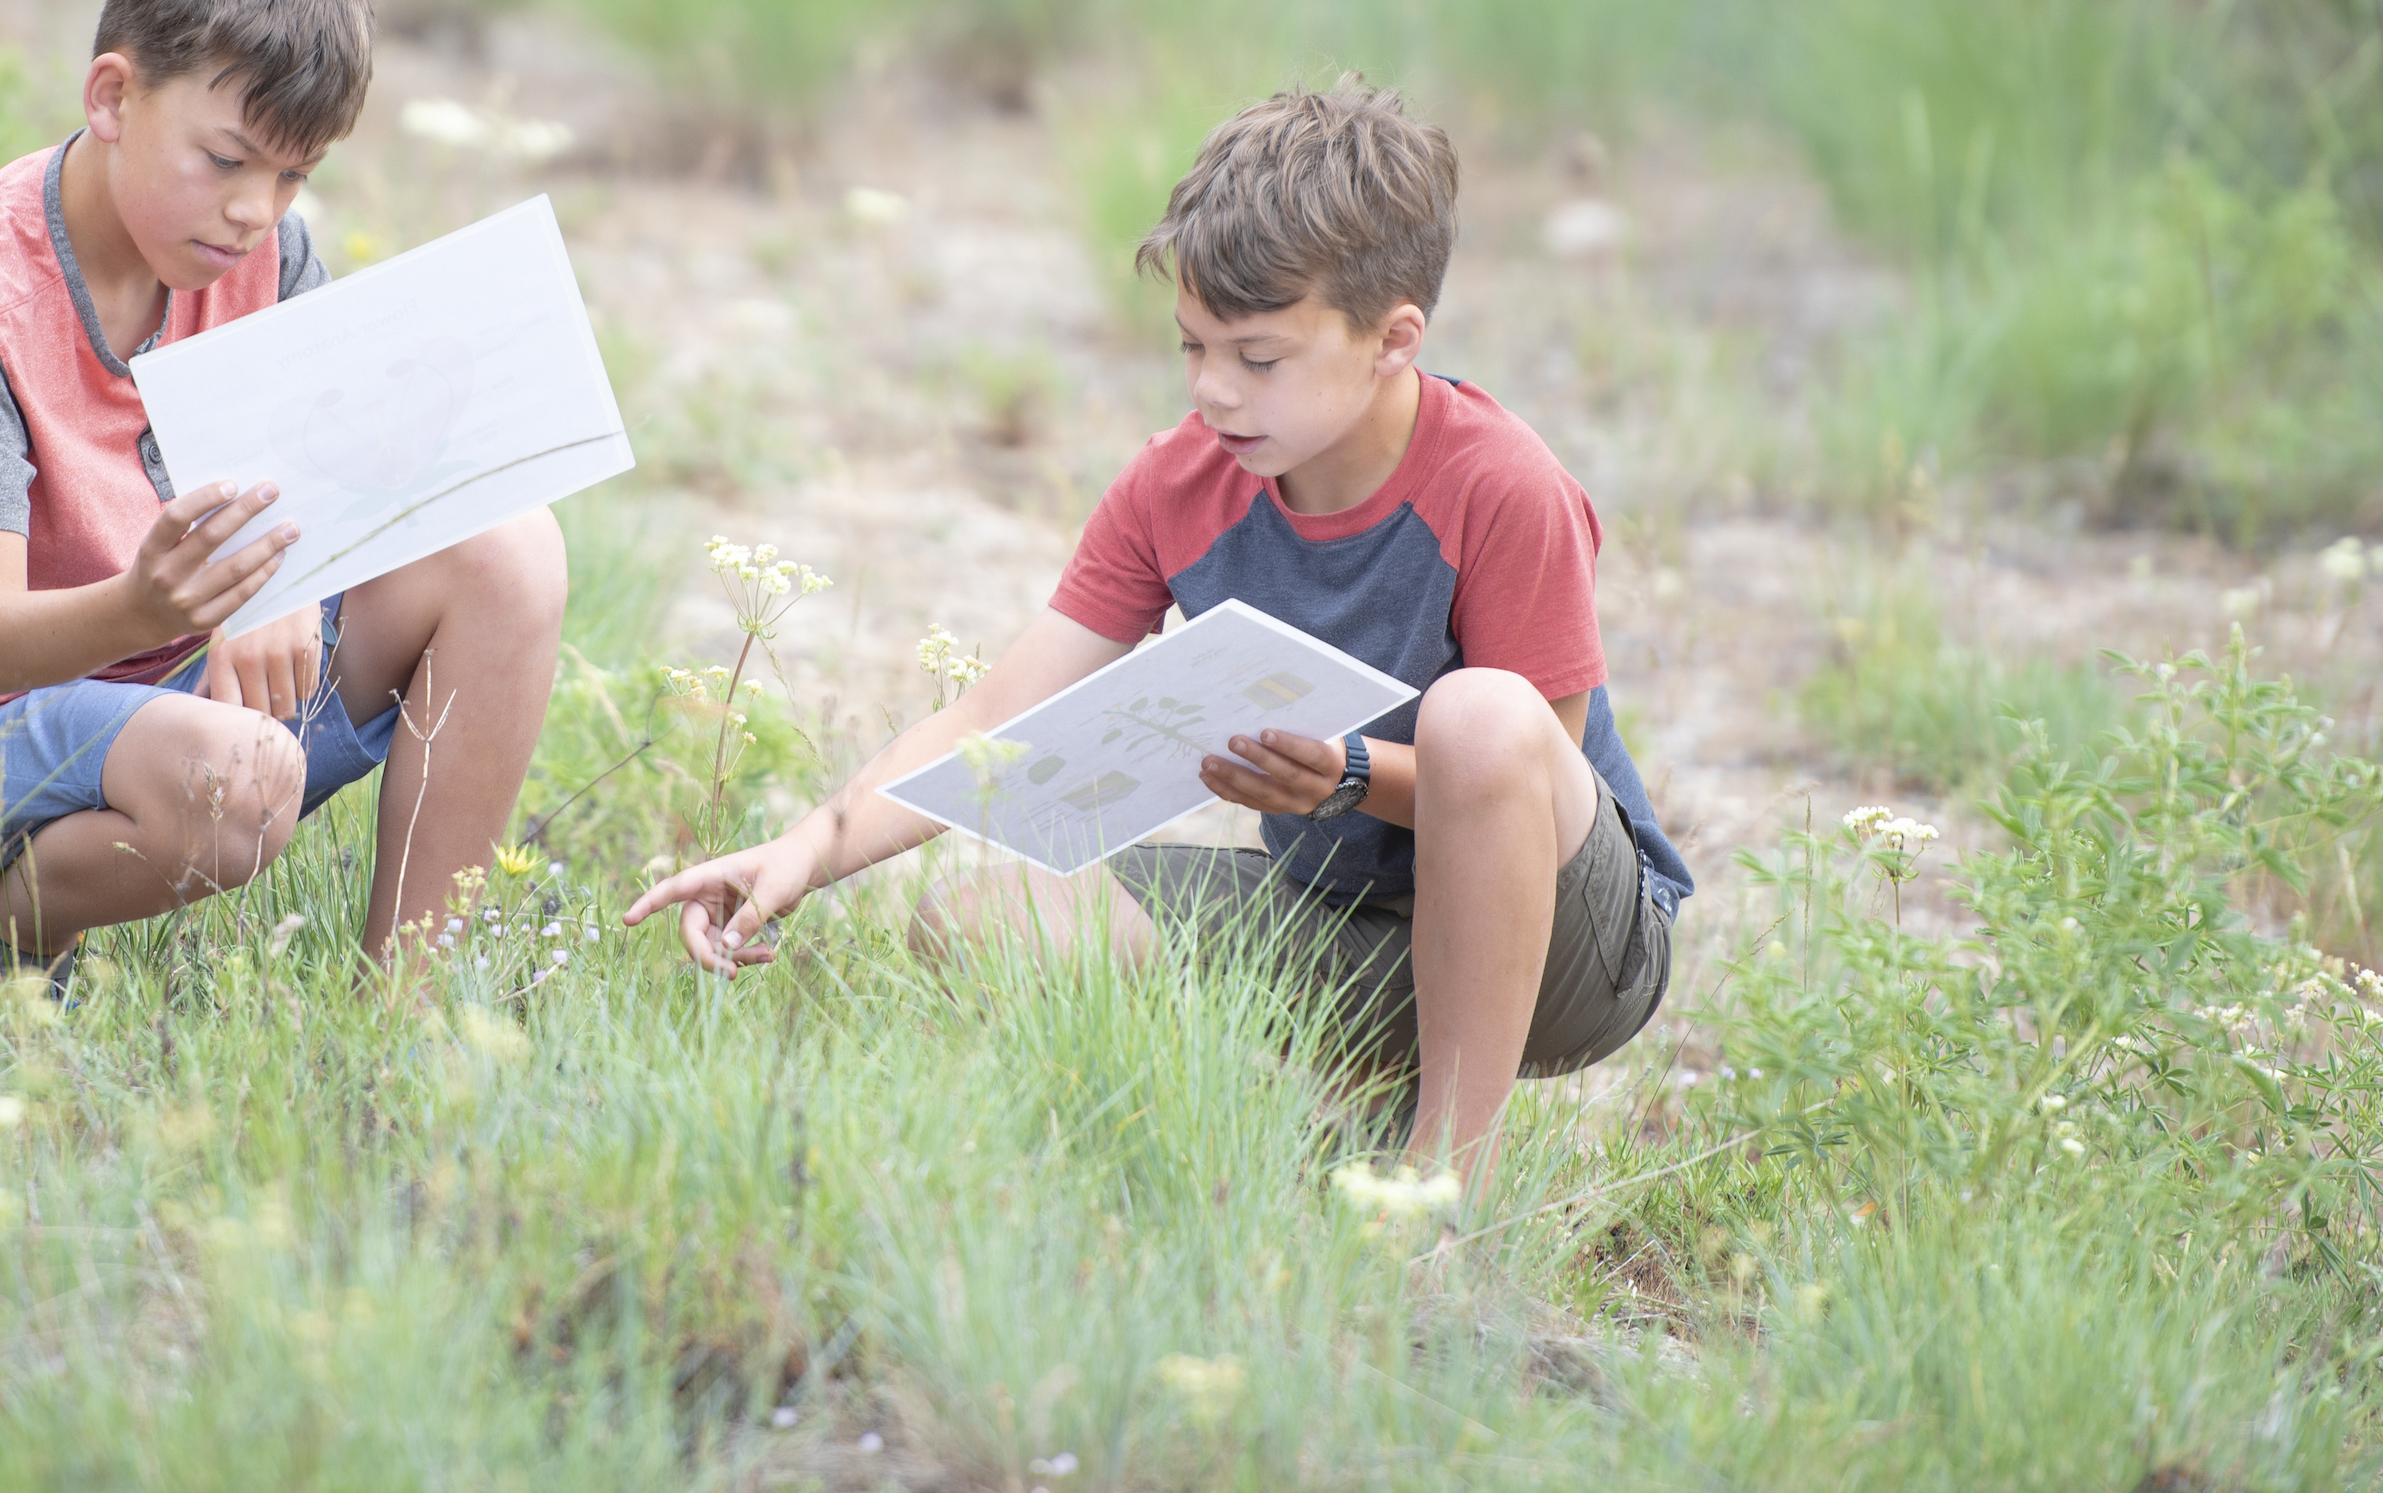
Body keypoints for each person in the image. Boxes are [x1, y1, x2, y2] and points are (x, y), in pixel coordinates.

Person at [627, 83, 1687, 1168]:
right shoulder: (1177, 483)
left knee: (1480, 716)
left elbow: (1526, 778)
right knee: (979, 923)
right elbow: (994, 718)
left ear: (1392, 339)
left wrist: (1349, 777)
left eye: (1258, 358)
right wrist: (803, 850)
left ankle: (1446, 1186)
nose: (1214, 390)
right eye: (1192, 347)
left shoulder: (1501, 486)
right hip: (1343, 916)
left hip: (1571, 951)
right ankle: (1288, 1129)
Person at [0, 0, 566, 995]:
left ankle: (410, 1012)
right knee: (239, 784)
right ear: (113, 97)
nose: (257, 210)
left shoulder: (263, 258)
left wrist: (286, 581)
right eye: (226, 161)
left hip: (170, 680)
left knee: (510, 546)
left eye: (294, 175)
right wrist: (155, 608)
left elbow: (327, 487)